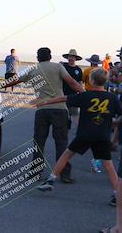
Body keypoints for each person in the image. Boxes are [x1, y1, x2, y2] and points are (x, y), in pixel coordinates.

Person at [0, 47, 84, 182]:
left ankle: (36, 172)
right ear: (50, 56)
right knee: (61, 142)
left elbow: (14, 80)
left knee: (39, 142)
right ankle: (64, 174)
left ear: (38, 58)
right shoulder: (58, 67)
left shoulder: (33, 69)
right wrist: (86, 95)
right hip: (60, 109)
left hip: (42, 110)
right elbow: (72, 82)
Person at [36, 68, 121, 207]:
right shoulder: (112, 98)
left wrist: (45, 102)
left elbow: (64, 98)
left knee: (67, 154)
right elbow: (120, 113)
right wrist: (115, 123)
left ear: (91, 80)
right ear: (106, 82)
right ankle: (118, 195)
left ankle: (50, 180)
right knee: (108, 166)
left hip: (85, 134)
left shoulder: (85, 96)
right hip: (102, 135)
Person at [61, 49, 83, 129]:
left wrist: (81, 93)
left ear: (76, 58)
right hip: (62, 93)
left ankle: (78, 131)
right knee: (63, 112)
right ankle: (64, 127)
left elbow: (80, 82)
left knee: (75, 113)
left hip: (74, 94)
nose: (71, 58)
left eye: (73, 57)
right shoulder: (63, 67)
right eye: (70, 56)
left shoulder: (78, 70)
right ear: (67, 57)